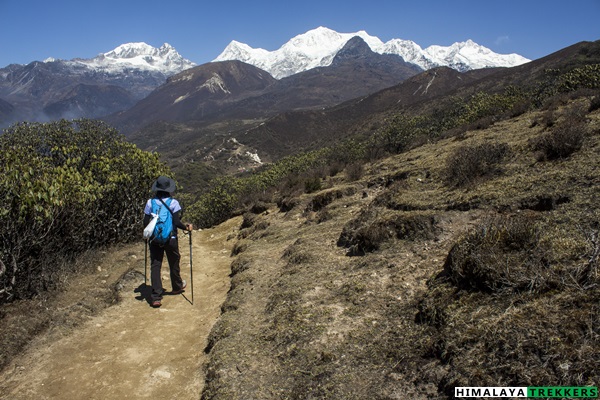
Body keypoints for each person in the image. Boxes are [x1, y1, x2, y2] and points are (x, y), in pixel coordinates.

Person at [143, 176, 193, 308]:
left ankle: (156, 297)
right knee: (174, 261)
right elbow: (176, 222)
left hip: (154, 239)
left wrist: (145, 234)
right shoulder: (174, 203)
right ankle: (177, 286)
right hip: (170, 238)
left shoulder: (150, 203)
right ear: (169, 189)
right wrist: (186, 227)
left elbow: (145, 222)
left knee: (155, 265)